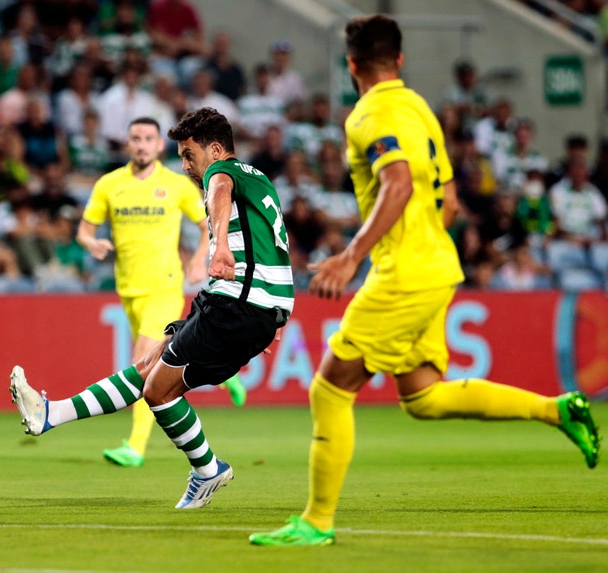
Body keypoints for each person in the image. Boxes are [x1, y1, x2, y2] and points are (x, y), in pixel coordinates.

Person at [249, 14, 600, 548]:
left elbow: (397, 185)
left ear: (351, 66)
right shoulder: (420, 109)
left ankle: (317, 522)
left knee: (329, 388)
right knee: (423, 395)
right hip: (437, 263)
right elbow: (451, 201)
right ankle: (557, 409)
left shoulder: (370, 114)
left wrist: (350, 255)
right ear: (400, 60)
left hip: (406, 272)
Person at [10, 107, 293, 508]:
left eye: (189, 155)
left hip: (236, 304)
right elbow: (273, 245)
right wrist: (277, 311)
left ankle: (208, 469)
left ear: (214, 149)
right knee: (147, 366)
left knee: (157, 391)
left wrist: (224, 250)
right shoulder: (260, 179)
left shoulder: (221, 173)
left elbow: (219, 191)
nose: (186, 165)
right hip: (244, 303)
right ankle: (50, 414)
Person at [73, 115, 247, 467]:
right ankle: (226, 376)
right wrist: (93, 243)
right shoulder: (109, 185)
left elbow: (207, 224)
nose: (141, 144)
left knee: (144, 360)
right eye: (135, 138)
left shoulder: (177, 184)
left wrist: (201, 258)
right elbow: (84, 230)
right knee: (169, 353)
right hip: (129, 288)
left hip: (165, 284)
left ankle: (135, 446)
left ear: (157, 145)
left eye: (148, 138)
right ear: (128, 143)